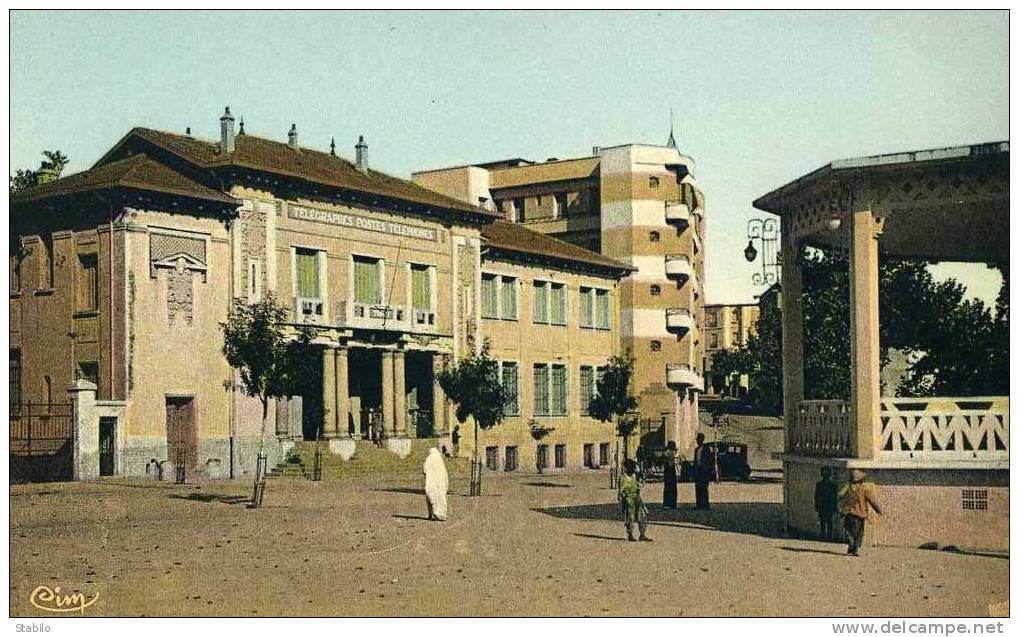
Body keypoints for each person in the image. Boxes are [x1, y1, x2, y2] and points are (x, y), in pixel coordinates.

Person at [838, 468, 882, 556]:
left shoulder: (848, 487)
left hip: (850, 513)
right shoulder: (864, 489)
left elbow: (839, 495)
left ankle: (851, 548)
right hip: (861, 514)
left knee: (849, 531)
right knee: (859, 532)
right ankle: (856, 549)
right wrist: (878, 510)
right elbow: (872, 501)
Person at [618, 458, 651, 542]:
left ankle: (642, 534)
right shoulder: (623, 477)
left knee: (641, 516)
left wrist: (640, 482)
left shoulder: (634, 475)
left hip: (636, 496)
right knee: (630, 516)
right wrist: (622, 499)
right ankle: (630, 534)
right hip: (628, 498)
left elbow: (640, 484)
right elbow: (621, 490)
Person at [423, 447, 449, 521]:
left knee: (431, 497)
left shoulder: (429, 458)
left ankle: (433, 514)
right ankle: (441, 514)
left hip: (431, 482)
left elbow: (424, 469)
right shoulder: (440, 459)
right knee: (440, 498)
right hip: (440, 483)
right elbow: (445, 473)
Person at [814, 466, 839, 541]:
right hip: (828, 506)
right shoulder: (831, 485)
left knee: (824, 522)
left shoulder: (821, 484)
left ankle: (824, 536)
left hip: (825, 506)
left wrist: (817, 505)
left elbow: (816, 496)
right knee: (828, 522)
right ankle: (828, 537)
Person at [693, 433, 716, 510]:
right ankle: (699, 504)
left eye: (699, 440)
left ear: (702, 440)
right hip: (698, 470)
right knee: (698, 488)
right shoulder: (696, 450)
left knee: (704, 488)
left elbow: (710, 460)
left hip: (704, 471)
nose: (698, 441)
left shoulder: (706, 449)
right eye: (697, 440)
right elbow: (695, 461)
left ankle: (705, 505)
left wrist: (710, 470)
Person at [662, 441, 678, 509]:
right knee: (671, 487)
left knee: (668, 487)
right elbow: (670, 462)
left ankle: (667, 503)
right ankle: (672, 503)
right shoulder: (670, 452)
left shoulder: (668, 452)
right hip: (670, 470)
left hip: (668, 470)